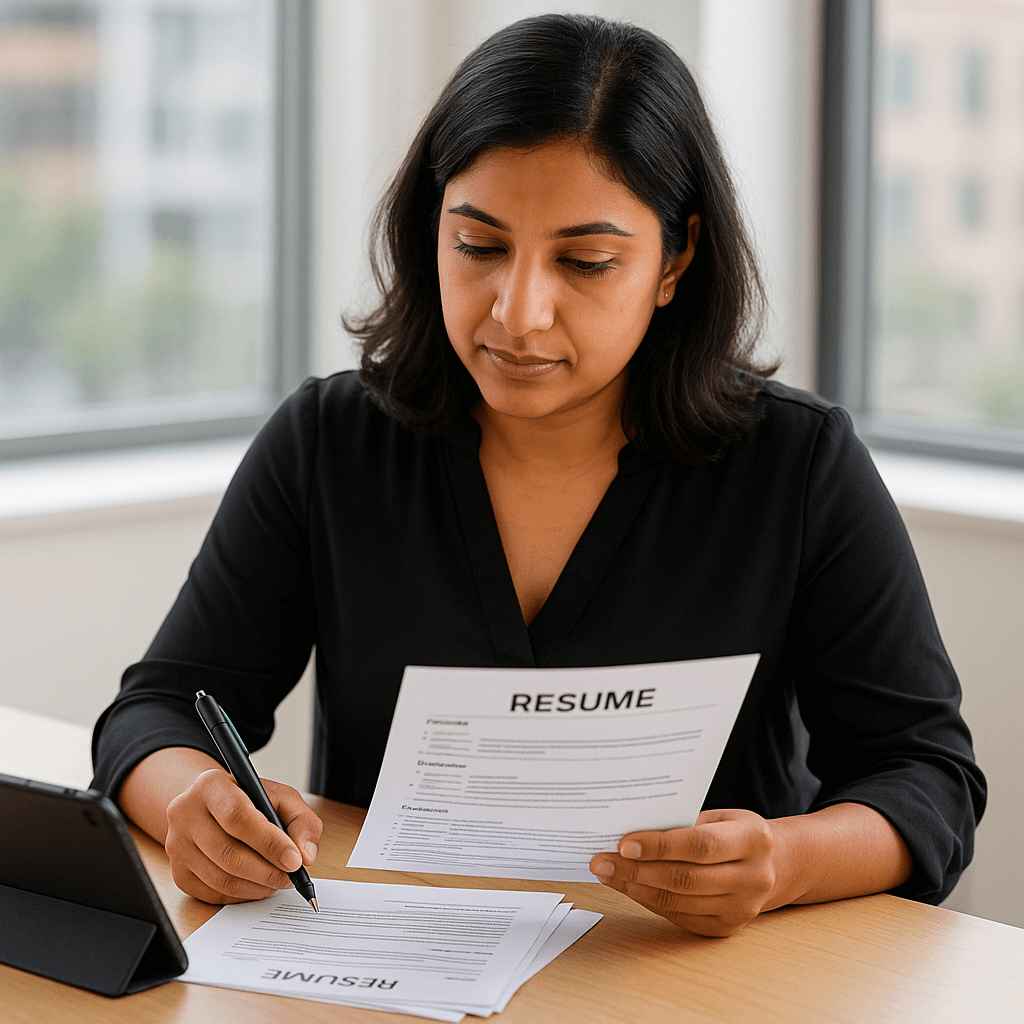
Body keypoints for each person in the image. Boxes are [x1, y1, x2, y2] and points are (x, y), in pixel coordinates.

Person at [90, 13, 986, 939]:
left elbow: (928, 778)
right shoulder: (331, 442)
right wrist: (192, 800)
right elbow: (156, 711)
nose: (517, 314)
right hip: (391, 972)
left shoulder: (798, 464)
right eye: (477, 247)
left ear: (675, 260)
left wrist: (788, 862)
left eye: (586, 261)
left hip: (691, 980)